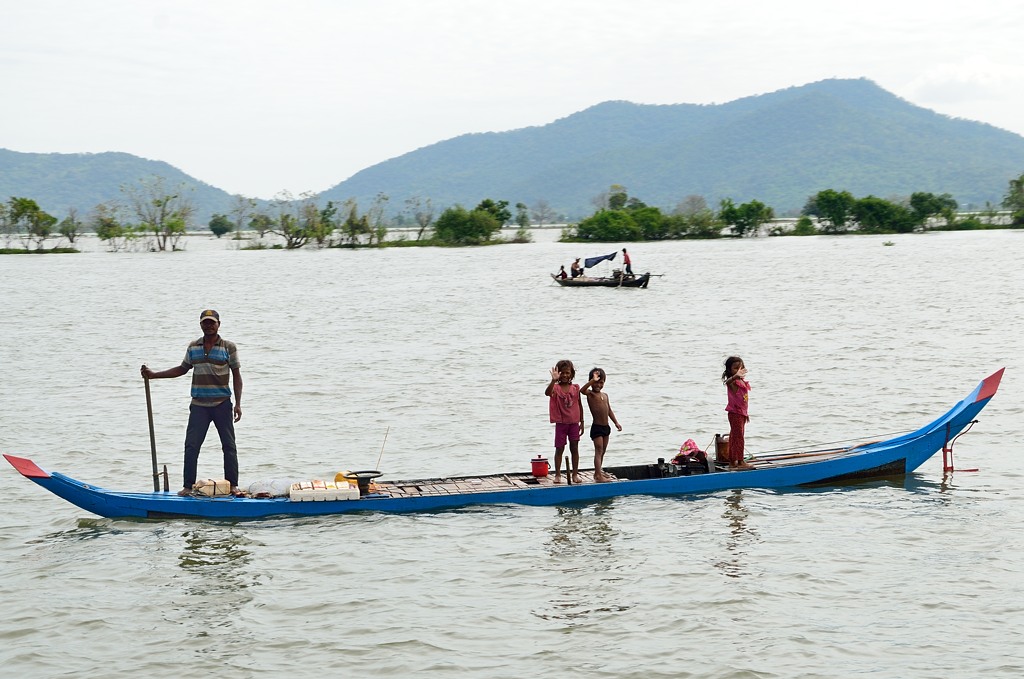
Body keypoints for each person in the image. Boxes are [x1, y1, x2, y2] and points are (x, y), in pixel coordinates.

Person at [141, 309, 244, 496]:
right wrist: (154, 375)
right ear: (200, 325)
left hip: (222, 403)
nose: (209, 325)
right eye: (205, 322)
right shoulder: (193, 347)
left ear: (219, 324)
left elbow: (237, 376)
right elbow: (182, 369)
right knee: (191, 446)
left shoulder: (229, 347)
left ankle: (233, 485)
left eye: (212, 322)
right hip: (199, 405)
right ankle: (187, 486)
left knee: (229, 446)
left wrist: (238, 403)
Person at [545, 359, 584, 484]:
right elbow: (547, 393)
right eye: (562, 373)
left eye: (568, 373)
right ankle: (557, 475)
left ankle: (575, 474)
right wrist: (553, 380)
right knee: (559, 448)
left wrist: (582, 421)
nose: (565, 375)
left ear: (572, 373)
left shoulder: (575, 388)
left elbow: (579, 405)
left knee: (575, 448)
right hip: (561, 424)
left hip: (574, 423)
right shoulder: (556, 388)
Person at [581, 367, 622, 482]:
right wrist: (592, 381)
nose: (598, 385)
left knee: (603, 450)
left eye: (601, 382)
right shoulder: (590, 394)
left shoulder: (605, 395)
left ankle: (598, 472)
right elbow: (582, 390)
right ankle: (599, 476)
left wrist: (616, 422)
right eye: (596, 382)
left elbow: (609, 410)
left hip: (606, 427)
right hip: (597, 427)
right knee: (598, 450)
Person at [722, 356, 755, 471]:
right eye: (735, 368)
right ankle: (739, 461)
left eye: (741, 368)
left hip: (741, 413)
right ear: (730, 371)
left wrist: (745, 414)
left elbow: (742, 400)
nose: (739, 370)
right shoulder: (733, 382)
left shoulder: (741, 382)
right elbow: (727, 381)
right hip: (735, 413)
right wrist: (735, 376)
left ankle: (733, 461)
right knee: (738, 438)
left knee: (736, 437)